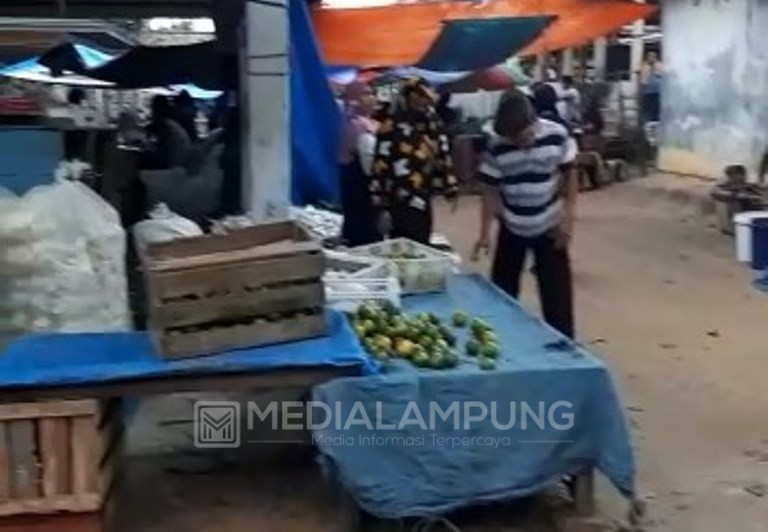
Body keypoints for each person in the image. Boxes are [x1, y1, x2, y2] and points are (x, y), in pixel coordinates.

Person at [473, 89, 578, 339]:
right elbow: (490, 190)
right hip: (512, 226)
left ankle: (564, 349)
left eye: (521, 136)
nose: (518, 143)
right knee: (503, 293)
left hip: (549, 225)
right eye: (512, 138)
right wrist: (485, 233)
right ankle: (503, 343)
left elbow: (570, 179)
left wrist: (568, 220)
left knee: (557, 298)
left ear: (533, 122)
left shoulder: (558, 136)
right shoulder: (497, 147)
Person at [370, 77, 458, 244]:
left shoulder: (432, 123)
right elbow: (379, 166)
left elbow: (443, 152)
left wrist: (450, 185)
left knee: (422, 240)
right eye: (419, 103)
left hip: (423, 195)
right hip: (397, 198)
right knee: (401, 245)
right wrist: (379, 204)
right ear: (408, 100)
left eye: (426, 104)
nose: (423, 107)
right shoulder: (390, 127)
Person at [338, 81, 381, 246]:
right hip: (359, 179)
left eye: (371, 93)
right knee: (362, 222)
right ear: (354, 99)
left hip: (364, 178)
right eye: (366, 94)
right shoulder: (354, 124)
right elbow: (366, 159)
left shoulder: (370, 123)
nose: (371, 98)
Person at [639, 51, 663, 123]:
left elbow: (661, 75)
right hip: (647, 92)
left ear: (655, 58)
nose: (651, 58)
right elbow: (643, 79)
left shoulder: (659, 65)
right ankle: (648, 123)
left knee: (656, 110)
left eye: (653, 57)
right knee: (647, 109)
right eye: (649, 56)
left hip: (657, 91)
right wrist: (642, 89)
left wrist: (654, 69)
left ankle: (655, 122)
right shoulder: (644, 66)